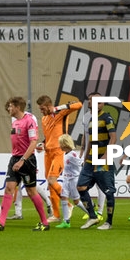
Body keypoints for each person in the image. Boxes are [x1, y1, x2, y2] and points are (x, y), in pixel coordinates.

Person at [0, 96, 50, 231]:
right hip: (14, 158)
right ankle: (1, 222)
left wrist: (22, 160)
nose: (9, 108)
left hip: (27, 161)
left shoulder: (29, 121)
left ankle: (44, 223)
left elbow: (33, 142)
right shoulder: (15, 122)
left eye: (11, 106)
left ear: (17, 107)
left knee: (31, 191)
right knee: (9, 188)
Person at [37, 95, 83, 223]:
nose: (41, 111)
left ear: (48, 106)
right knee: (50, 183)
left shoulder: (61, 112)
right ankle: (56, 215)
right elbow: (47, 137)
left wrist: (57, 108)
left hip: (59, 151)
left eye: (42, 108)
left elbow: (79, 104)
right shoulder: (44, 119)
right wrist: (42, 145)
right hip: (48, 152)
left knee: (52, 180)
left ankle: (68, 204)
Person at [77, 99, 117, 230]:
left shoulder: (107, 117)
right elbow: (90, 141)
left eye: (98, 102)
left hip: (102, 160)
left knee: (108, 191)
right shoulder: (90, 120)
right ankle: (93, 217)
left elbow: (113, 137)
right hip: (90, 161)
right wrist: (86, 156)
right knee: (81, 187)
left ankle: (108, 222)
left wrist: (106, 155)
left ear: (103, 104)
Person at [53, 134, 83, 228]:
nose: (59, 146)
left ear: (65, 144)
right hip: (66, 180)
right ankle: (66, 222)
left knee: (76, 201)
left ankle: (92, 213)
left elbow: (81, 164)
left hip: (74, 180)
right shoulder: (65, 154)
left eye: (60, 144)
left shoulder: (72, 155)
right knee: (63, 197)